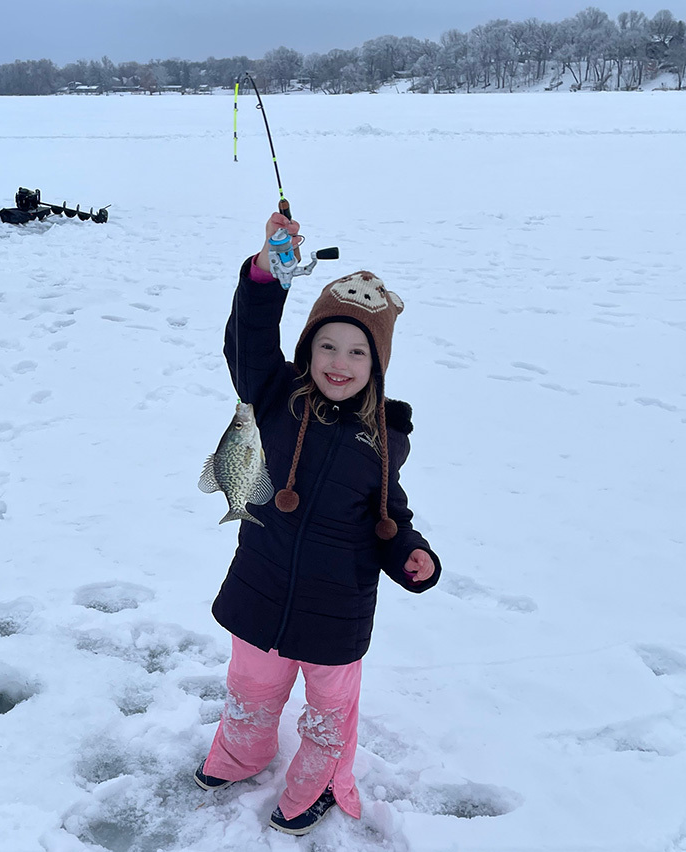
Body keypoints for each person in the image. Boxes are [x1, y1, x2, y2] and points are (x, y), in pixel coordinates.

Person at [194, 211, 442, 836]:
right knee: (250, 687)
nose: (339, 361)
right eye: (327, 345)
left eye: (358, 351)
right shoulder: (273, 396)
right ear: (308, 350)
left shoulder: (380, 440)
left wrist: (411, 554)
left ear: (377, 365)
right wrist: (265, 275)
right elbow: (249, 340)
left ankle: (319, 783)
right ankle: (241, 753)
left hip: (336, 610)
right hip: (260, 590)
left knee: (330, 713)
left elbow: (389, 518)